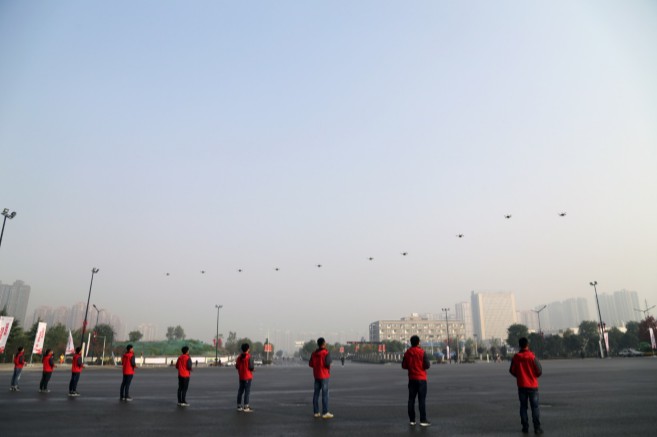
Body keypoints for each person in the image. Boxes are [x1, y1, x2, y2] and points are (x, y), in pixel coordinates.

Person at [509, 337, 543, 435]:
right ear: (527, 345)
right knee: (535, 407)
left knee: (523, 407)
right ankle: (537, 428)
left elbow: (512, 370)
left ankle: (525, 427)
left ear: (519, 345)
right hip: (533, 386)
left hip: (522, 386)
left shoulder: (516, 357)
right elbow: (539, 370)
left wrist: (519, 376)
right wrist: (533, 376)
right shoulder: (532, 357)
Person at [402, 335, 431, 427]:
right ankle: (423, 420)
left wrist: (411, 366)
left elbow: (404, 365)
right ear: (418, 342)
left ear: (411, 342)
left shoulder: (407, 353)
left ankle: (412, 420)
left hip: (412, 379)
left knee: (411, 400)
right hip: (421, 379)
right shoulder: (422, 352)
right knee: (421, 400)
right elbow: (427, 365)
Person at [309, 337, 333, 419]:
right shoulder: (326, 352)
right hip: (324, 375)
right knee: (325, 394)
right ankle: (325, 412)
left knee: (316, 394)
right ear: (323, 343)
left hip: (316, 375)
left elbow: (310, 364)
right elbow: (328, 363)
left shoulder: (313, 353)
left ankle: (316, 412)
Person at [235, 343, 255, 412]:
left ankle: (239, 406)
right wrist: (253, 370)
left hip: (241, 376)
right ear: (248, 349)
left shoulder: (239, 357)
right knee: (247, 392)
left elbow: (237, 366)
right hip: (248, 376)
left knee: (240, 391)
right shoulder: (249, 357)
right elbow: (251, 367)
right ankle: (246, 406)